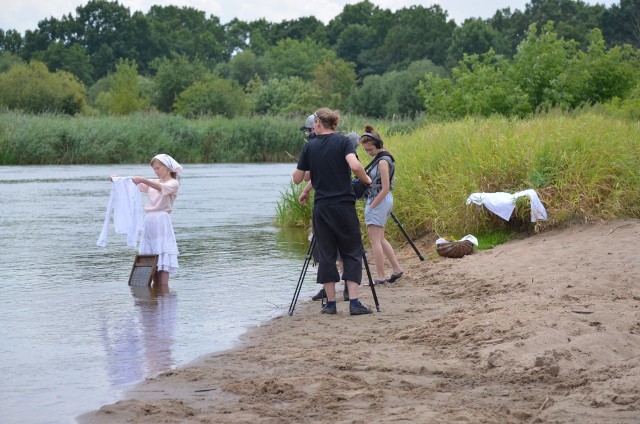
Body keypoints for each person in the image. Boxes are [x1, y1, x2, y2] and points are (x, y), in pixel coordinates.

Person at [293, 108, 373, 315]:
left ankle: (330, 304)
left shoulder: (310, 146)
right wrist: (366, 180)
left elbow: (298, 178)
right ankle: (354, 302)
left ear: (317, 123)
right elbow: (355, 166)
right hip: (344, 205)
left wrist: (305, 171)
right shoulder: (344, 141)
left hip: (322, 207)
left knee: (327, 254)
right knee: (352, 252)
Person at [113, 154, 182, 286]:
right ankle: (154, 292)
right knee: (151, 255)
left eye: (158, 168)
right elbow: (133, 184)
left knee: (163, 254)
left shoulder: (173, 183)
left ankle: (162, 290)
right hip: (149, 220)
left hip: (162, 220)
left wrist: (144, 180)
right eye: (154, 169)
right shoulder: (154, 182)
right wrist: (117, 179)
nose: (156, 171)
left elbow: (160, 188)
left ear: (168, 168)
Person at [360, 126, 403, 285]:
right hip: (383, 200)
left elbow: (385, 188)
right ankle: (397, 269)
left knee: (374, 241)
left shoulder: (383, 162)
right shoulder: (385, 158)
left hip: (379, 200)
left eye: (369, 149)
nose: (368, 153)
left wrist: (372, 206)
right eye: (365, 150)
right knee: (380, 238)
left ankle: (380, 276)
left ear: (378, 145)